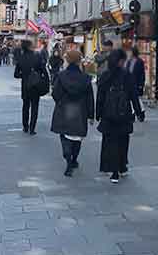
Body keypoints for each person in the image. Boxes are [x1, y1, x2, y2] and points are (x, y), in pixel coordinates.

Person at [96, 48, 145, 183]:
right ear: (121, 61)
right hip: (124, 114)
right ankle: (121, 167)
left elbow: (100, 96)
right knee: (123, 141)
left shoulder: (105, 75)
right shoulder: (127, 75)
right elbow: (133, 96)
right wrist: (139, 112)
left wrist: (98, 113)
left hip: (108, 114)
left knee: (110, 141)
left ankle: (112, 170)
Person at [51, 49, 94, 177]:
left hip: (64, 109)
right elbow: (90, 98)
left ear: (68, 61)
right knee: (77, 137)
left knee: (64, 134)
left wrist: (60, 101)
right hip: (80, 111)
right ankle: (74, 159)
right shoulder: (86, 78)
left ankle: (68, 157)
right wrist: (91, 115)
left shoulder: (61, 76)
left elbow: (56, 94)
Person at [15, 40, 49, 134]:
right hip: (35, 85)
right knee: (35, 107)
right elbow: (44, 72)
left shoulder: (20, 58)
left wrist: (25, 75)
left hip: (25, 85)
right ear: (30, 46)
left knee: (25, 106)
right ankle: (32, 128)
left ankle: (25, 126)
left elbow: (16, 74)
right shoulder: (37, 57)